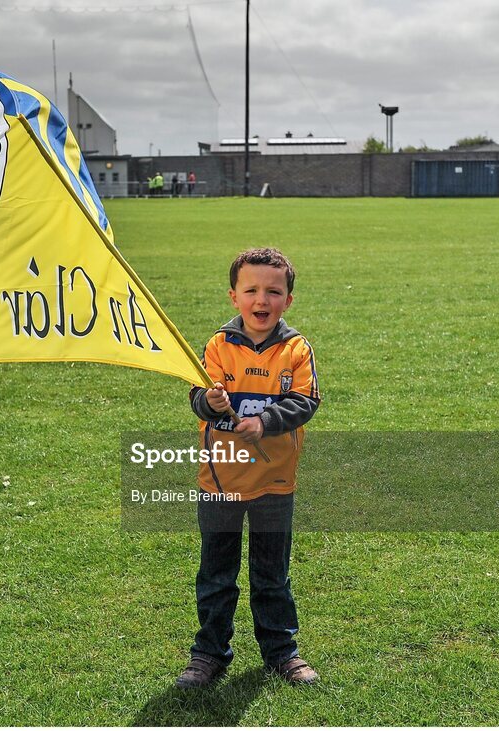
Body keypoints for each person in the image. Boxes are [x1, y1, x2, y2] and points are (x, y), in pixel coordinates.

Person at [176, 247, 321, 689]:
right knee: (216, 575)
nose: (262, 300)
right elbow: (197, 398)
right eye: (251, 290)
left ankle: (282, 653)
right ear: (233, 297)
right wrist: (211, 400)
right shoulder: (218, 346)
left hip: (275, 485)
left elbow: (306, 401)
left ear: (288, 300)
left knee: (271, 575)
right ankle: (209, 654)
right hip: (219, 481)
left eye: (273, 291)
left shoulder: (296, 349)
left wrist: (266, 421)